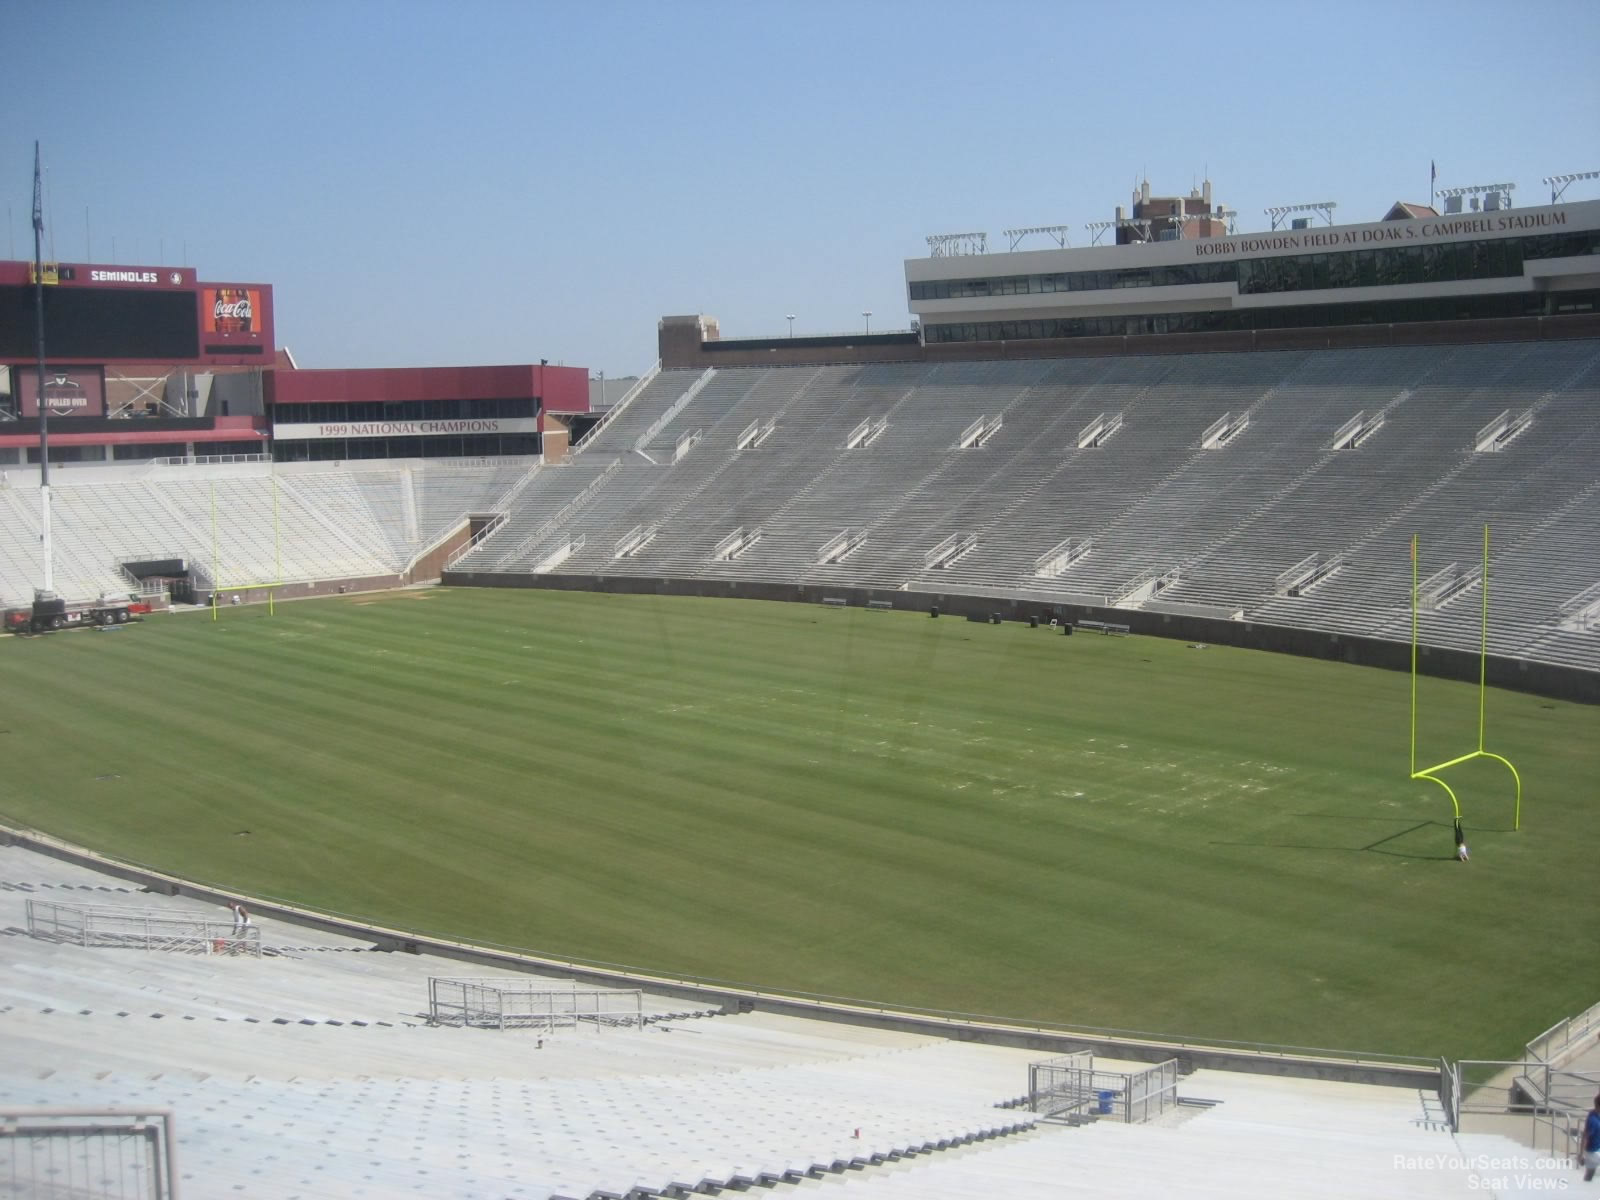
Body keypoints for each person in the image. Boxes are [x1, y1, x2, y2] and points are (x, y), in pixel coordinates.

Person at [1582, 1093, 1600, 1182]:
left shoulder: (1596, 1114)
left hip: (1597, 1150)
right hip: (1592, 1152)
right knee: (1589, 1176)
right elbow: (1585, 1136)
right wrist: (1581, 1154)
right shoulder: (1592, 1120)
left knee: (1589, 1177)